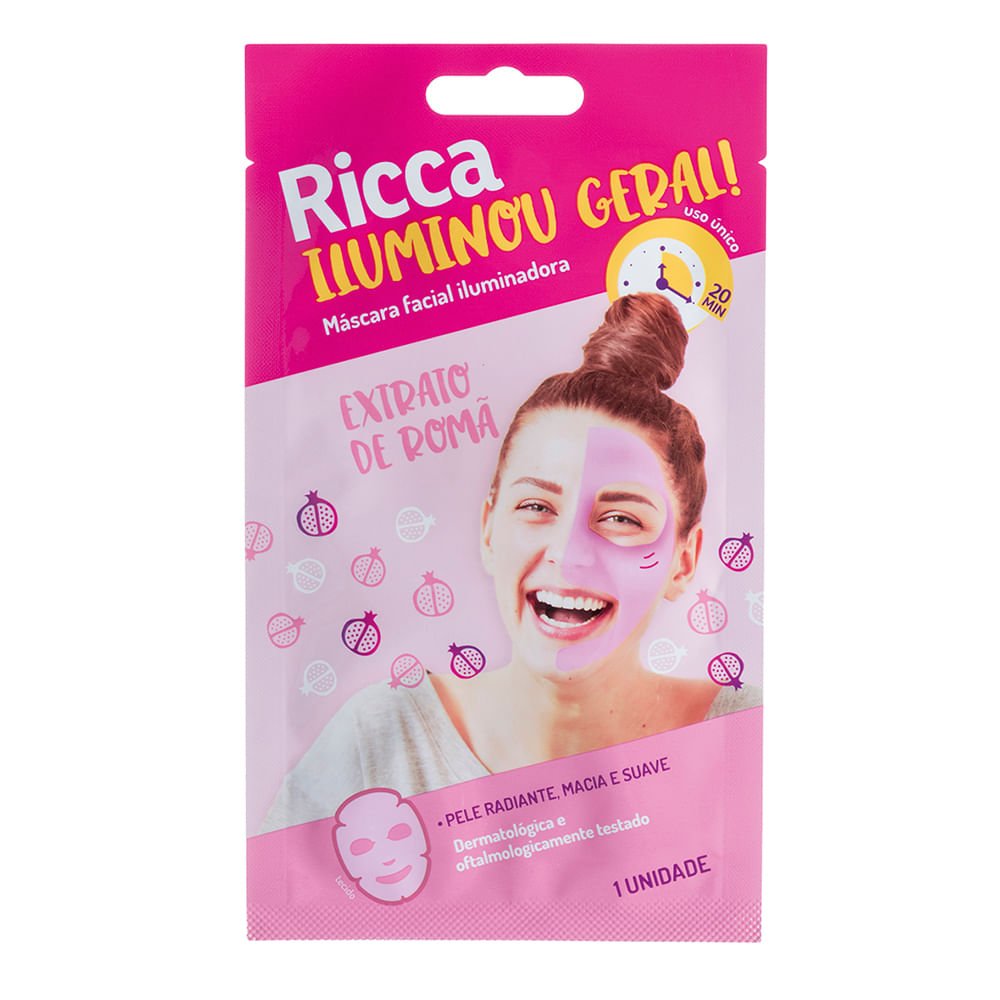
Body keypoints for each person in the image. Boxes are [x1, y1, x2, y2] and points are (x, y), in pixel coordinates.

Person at [261, 293, 760, 833]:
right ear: (489, 529)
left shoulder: (749, 741)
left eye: (621, 519)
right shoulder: (377, 741)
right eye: (537, 507)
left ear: (684, 561)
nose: (569, 553)